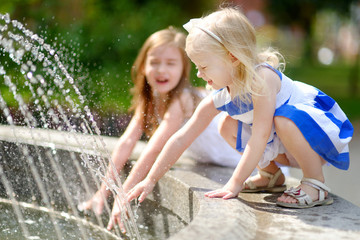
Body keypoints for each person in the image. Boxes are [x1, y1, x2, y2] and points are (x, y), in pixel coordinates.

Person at [126, 7, 353, 209]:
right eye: (196, 66)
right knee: (226, 125)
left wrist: (234, 183)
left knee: (283, 119)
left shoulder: (262, 79)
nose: (198, 74)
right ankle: (271, 175)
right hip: (287, 143)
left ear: (233, 58)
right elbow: (181, 137)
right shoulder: (223, 94)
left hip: (314, 135)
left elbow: (260, 136)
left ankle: (315, 183)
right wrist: (151, 178)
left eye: (203, 66)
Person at [78, 26, 242, 230]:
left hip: (238, 159)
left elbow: (155, 148)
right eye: (154, 62)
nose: (161, 70)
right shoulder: (150, 99)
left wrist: (124, 195)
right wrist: (102, 192)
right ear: (143, 66)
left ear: (184, 69)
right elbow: (127, 142)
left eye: (171, 64)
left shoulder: (182, 99)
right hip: (216, 160)